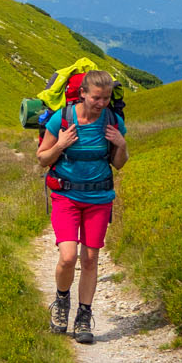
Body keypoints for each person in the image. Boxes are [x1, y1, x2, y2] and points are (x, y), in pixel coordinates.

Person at [36, 69, 127, 343]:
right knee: (68, 257)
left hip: (99, 199)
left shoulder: (113, 121)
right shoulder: (61, 119)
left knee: (90, 259)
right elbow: (42, 159)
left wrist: (121, 144)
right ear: (83, 94)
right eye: (96, 98)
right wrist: (60, 144)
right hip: (66, 197)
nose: (101, 103)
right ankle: (62, 301)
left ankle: (83, 316)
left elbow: (119, 163)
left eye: (106, 98)